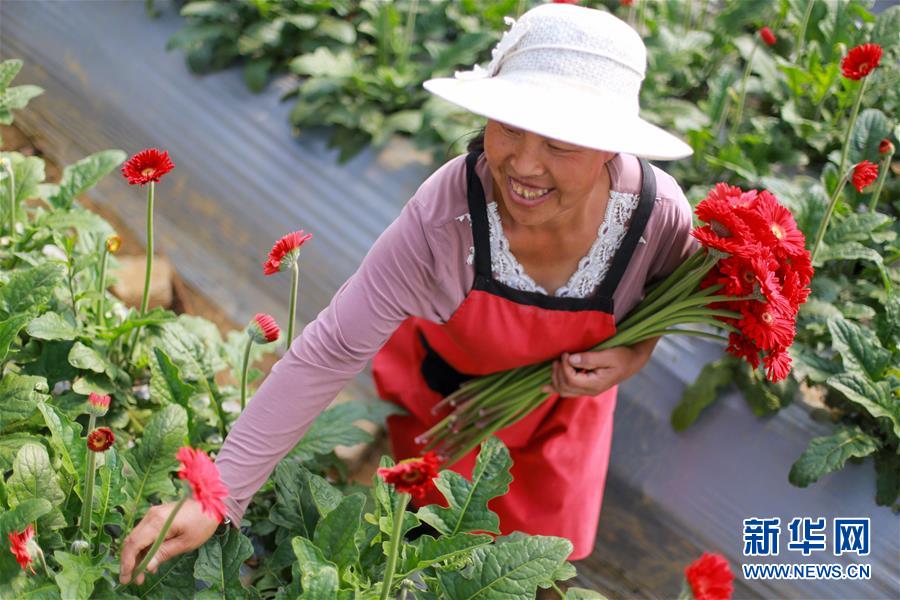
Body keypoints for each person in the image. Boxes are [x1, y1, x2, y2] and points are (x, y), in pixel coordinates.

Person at [119, 2, 696, 587]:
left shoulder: (656, 219)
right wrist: (219, 495)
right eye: (510, 126)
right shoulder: (446, 217)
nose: (523, 163)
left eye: (560, 145)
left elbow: (658, 309)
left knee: (542, 569)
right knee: (425, 554)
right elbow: (331, 350)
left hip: (560, 417)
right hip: (447, 406)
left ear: (611, 149)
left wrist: (631, 356)